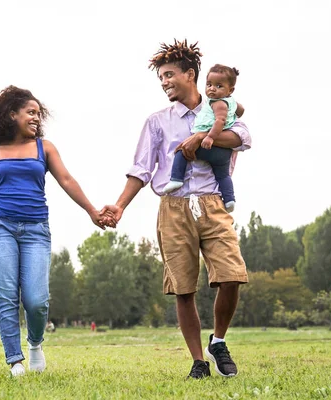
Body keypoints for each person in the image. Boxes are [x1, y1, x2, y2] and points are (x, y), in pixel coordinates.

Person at [101, 39, 251, 379]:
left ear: (190, 74)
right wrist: (120, 206)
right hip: (173, 207)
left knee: (231, 276)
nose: (165, 82)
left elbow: (242, 138)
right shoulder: (157, 122)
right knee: (183, 289)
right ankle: (199, 362)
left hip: (213, 204)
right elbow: (141, 170)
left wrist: (199, 139)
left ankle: (219, 340)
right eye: (161, 78)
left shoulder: (219, 109)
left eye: (170, 75)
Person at [0, 85, 106, 377]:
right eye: (30, 112)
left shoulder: (44, 148)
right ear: (12, 114)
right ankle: (15, 360)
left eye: (39, 113)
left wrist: (92, 210)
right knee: (6, 296)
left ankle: (35, 343)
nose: (36, 118)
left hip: (36, 230)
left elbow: (66, 179)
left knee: (37, 300)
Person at [162, 64, 245, 212]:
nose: (212, 89)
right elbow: (241, 110)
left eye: (218, 86)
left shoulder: (218, 104)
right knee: (223, 175)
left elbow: (220, 121)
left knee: (182, 150)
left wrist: (208, 137)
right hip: (224, 153)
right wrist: (234, 106)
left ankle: (176, 179)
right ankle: (230, 199)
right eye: (209, 85)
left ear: (230, 90)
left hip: (211, 146)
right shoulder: (231, 102)